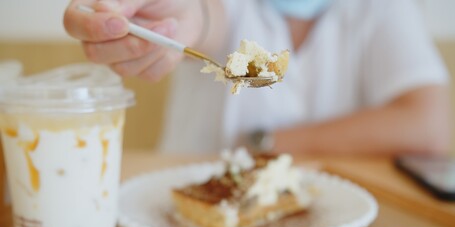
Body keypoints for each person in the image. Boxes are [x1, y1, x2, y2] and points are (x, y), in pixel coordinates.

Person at [64, 0, 451, 156]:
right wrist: (180, 23)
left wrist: (266, 144)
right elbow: (201, 16)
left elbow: (435, 126)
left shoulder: (379, 9)